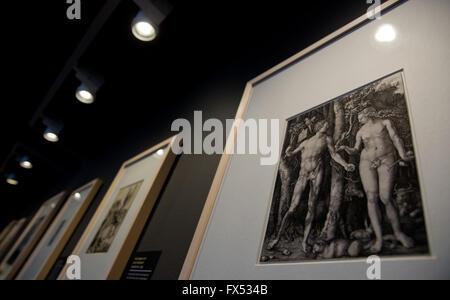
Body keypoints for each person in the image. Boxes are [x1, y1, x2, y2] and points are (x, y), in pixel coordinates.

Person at [268, 120, 355, 253]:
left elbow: (334, 154)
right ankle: (277, 238)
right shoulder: (306, 142)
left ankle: (304, 241)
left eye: (327, 124)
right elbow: (291, 153)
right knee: (293, 207)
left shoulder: (327, 139)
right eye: (325, 124)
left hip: (316, 173)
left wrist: (344, 164)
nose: (327, 125)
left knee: (311, 207)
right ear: (318, 126)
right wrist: (288, 150)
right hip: (303, 175)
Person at [339, 107, 414, 253]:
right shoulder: (361, 131)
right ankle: (379, 239)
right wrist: (346, 148)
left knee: (385, 197)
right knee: (371, 198)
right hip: (366, 162)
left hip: (386, 159)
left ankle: (398, 233)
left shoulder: (385, 123)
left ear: (368, 114)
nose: (358, 119)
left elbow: (396, 138)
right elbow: (356, 149)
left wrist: (403, 155)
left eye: (360, 116)